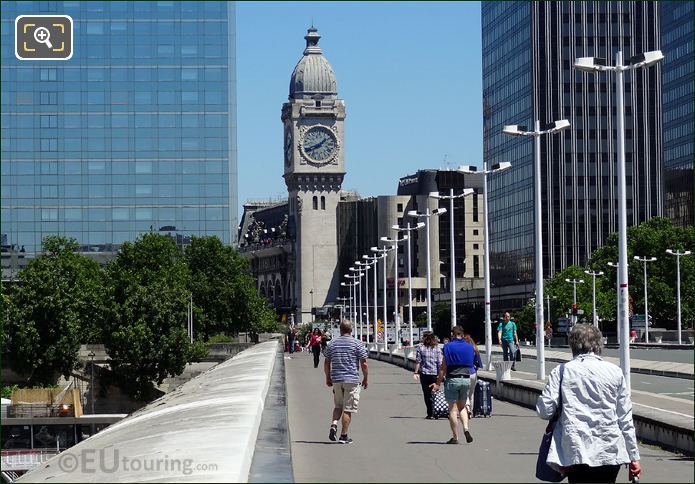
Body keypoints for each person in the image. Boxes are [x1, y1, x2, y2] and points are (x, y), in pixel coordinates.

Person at [537, 324, 641, 483]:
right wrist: (634, 456)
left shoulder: (562, 371)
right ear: (599, 344)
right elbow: (625, 418)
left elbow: (545, 411)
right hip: (609, 449)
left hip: (575, 449)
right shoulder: (615, 371)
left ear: (572, 344)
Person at [324, 320, 369, 444]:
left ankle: (334, 424)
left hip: (337, 379)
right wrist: (365, 378)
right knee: (348, 409)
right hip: (351, 379)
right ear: (351, 330)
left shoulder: (332, 343)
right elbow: (364, 363)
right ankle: (343, 436)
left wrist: (328, 377)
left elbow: (327, 362)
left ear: (340, 330)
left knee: (338, 406)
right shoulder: (357, 343)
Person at [431, 325, 475, 444]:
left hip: (452, 379)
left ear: (453, 334)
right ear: (462, 334)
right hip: (466, 378)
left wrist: (437, 383)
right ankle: (466, 428)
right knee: (462, 406)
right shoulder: (469, 347)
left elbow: (443, 367)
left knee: (453, 409)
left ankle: (455, 437)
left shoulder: (448, 346)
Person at [413, 331, 442, 419]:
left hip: (425, 374)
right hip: (435, 374)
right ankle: (436, 411)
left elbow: (418, 361)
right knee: (435, 393)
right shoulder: (437, 348)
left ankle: (430, 413)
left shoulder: (420, 348)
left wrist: (416, 372)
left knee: (427, 394)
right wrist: (440, 375)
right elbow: (439, 363)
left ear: (425, 338)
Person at [463, 334, 483, 419]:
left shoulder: (463, 350)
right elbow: (479, 363)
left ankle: (466, 406)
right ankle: (470, 412)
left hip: (464, 373)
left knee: (464, 393)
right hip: (473, 373)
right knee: (471, 394)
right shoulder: (475, 349)